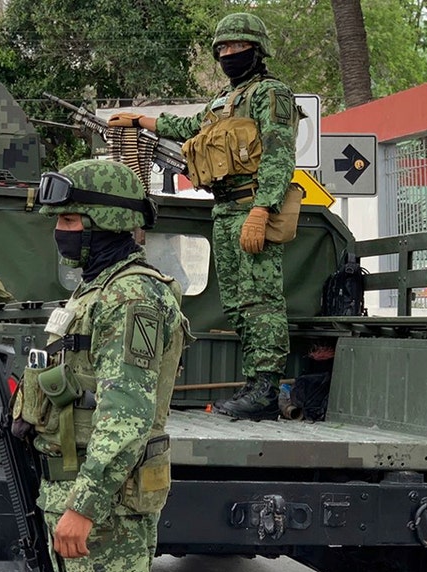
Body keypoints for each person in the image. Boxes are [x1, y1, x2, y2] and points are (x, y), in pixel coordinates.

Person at [28, 159, 187, 572]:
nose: (61, 231)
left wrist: (86, 506)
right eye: (61, 221)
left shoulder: (133, 295)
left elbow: (127, 415)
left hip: (103, 510)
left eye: (72, 222)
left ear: (105, 221)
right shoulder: (93, 292)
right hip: (68, 496)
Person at [108, 11, 297, 421]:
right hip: (226, 209)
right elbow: (190, 125)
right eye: (222, 48)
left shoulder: (271, 94)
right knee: (237, 302)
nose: (228, 54)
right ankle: (253, 384)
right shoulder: (223, 102)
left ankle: (266, 388)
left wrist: (262, 210)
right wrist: (143, 120)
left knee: (261, 300)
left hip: (252, 206)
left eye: (236, 46)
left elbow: (280, 156)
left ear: (256, 49)